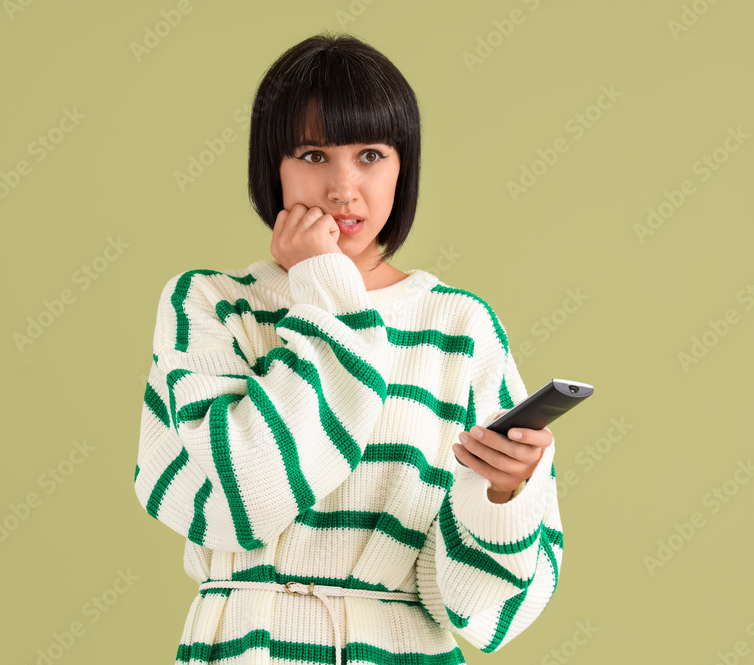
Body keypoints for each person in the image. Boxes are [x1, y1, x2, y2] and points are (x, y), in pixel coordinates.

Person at [134, 31, 563, 665]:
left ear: (403, 167)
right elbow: (239, 499)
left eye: (370, 154)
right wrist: (325, 288)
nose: (342, 188)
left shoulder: (460, 327)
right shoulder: (209, 305)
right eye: (311, 154)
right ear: (270, 167)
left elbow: (486, 613)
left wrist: (502, 497)